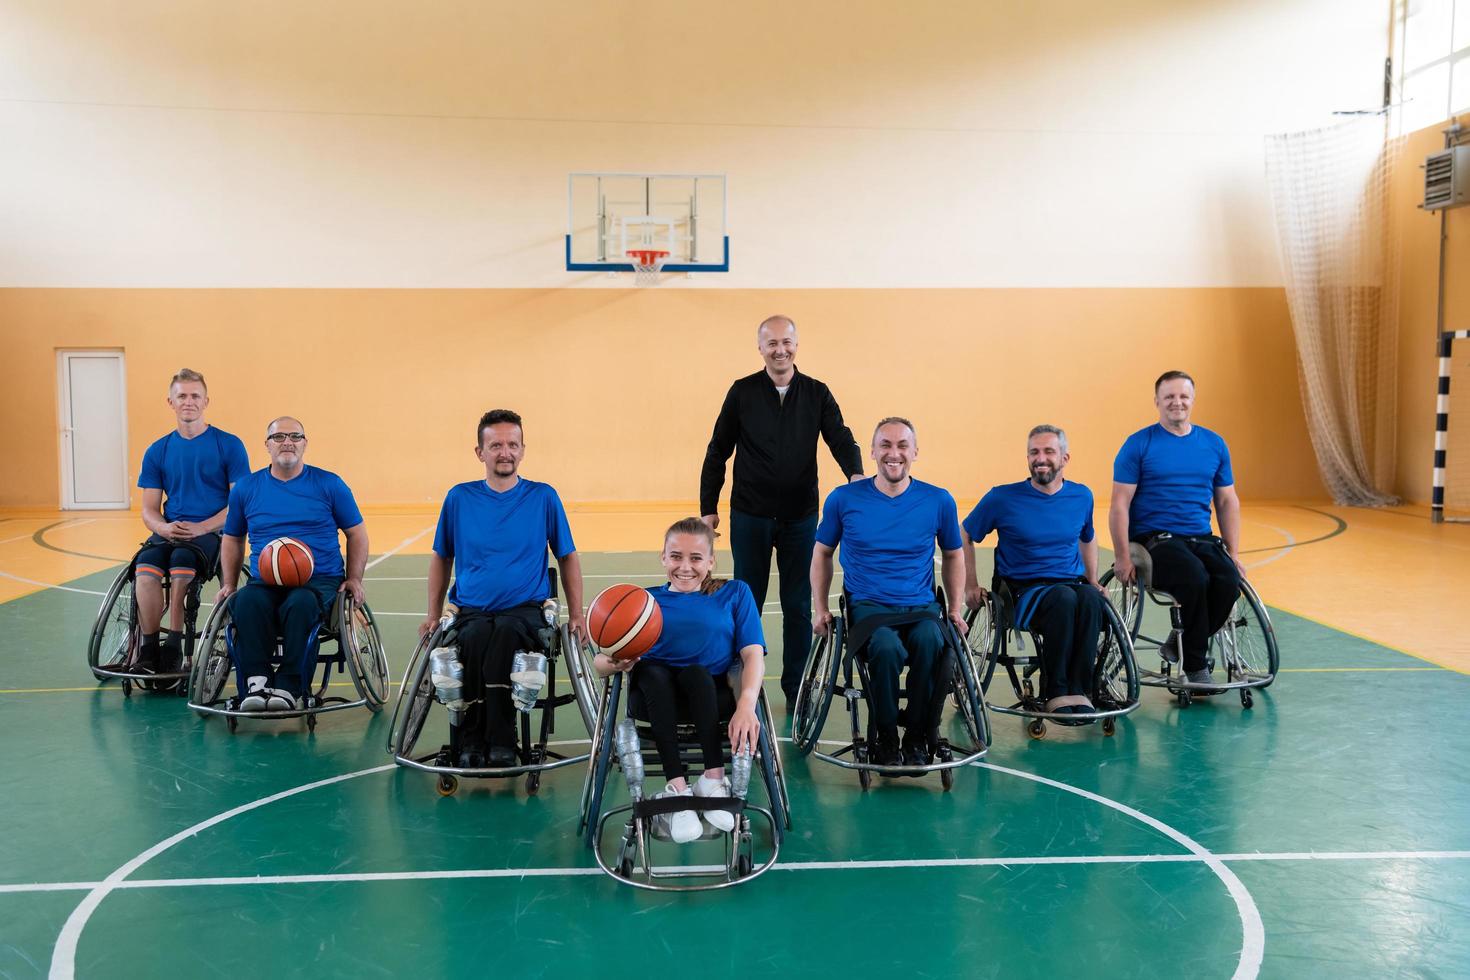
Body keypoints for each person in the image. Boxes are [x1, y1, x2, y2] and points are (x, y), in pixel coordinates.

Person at [699, 315, 864, 705]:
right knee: (746, 603)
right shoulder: (742, 393)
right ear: (760, 348)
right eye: (771, 343)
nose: (780, 349)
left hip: (800, 518)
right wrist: (709, 508)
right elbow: (717, 450)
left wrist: (857, 476)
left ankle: (798, 689)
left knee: (797, 606)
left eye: (786, 342)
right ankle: (741, 688)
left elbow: (840, 437)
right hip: (750, 516)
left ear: (796, 345)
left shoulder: (816, 393)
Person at [420, 409, 588, 769]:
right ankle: (472, 738)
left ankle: (499, 737)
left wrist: (578, 615)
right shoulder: (459, 498)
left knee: (506, 632)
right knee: (478, 634)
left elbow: (568, 557)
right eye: (495, 445)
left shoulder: (543, 497)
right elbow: (441, 558)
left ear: (523, 449)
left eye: (512, 444)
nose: (505, 452)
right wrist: (433, 615)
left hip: (525, 610)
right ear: (480, 452)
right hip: (472, 610)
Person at [593, 518, 764, 844]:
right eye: (676, 556)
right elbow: (600, 663)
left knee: (697, 674)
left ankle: (712, 779)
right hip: (653, 701)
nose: (685, 567)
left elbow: (753, 655)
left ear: (711, 561)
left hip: (710, 697)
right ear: (663, 557)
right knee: (654, 674)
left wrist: (746, 705)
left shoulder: (734, 593)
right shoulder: (642, 602)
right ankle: (677, 786)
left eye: (696, 558)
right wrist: (618, 661)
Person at [811, 417, 966, 769]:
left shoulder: (938, 500)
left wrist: (954, 609)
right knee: (884, 648)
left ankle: (916, 735)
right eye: (885, 445)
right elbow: (821, 553)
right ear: (872, 451)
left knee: (931, 641)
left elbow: (955, 554)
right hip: (869, 605)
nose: (893, 454)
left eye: (901, 446)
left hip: (920, 605)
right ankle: (885, 737)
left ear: (914, 452)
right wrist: (819, 608)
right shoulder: (844, 499)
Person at [216, 417, 368, 711]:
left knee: (299, 604)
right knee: (246, 601)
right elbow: (233, 538)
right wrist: (229, 584)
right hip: (266, 579)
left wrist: (355, 578)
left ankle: (288, 686)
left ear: (305, 443)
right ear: (267, 445)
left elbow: (357, 533)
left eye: (295, 436)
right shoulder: (246, 488)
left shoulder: (329, 484)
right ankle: (255, 683)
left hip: (318, 579)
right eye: (279, 436)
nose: (287, 442)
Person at [1109, 371, 1246, 688]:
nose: (1177, 402)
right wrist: (1121, 556)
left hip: (1200, 536)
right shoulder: (1138, 444)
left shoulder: (1213, 444)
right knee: (1193, 576)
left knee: (1228, 578)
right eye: (1169, 396)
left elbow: (1227, 501)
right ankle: (1196, 666)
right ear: (1157, 401)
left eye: (1183, 396)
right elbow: (1119, 504)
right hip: (1155, 539)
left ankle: (1179, 638)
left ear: (1193, 400)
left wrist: (1234, 552)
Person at [962, 425, 1107, 715]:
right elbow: (963, 534)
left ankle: (1083, 689)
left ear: (1065, 458)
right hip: (1022, 591)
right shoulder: (1002, 498)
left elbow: (1087, 538)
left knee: (1091, 599)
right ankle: (1055, 691)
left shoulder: (1081, 496)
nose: (1041, 458)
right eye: (1034, 452)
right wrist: (970, 584)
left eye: (1049, 451)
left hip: (1070, 582)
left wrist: (1092, 579)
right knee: (1064, 599)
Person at [133, 368, 250, 676]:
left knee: (182, 564)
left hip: (213, 531)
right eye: (181, 396)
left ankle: (173, 645)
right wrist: (162, 527)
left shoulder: (229, 445)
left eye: (195, 395)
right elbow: (148, 509)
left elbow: (239, 505)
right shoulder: (158, 450)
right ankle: (147, 649)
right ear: (170, 402)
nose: (188, 401)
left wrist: (202, 527)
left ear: (206, 401)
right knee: (144, 569)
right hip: (171, 529)